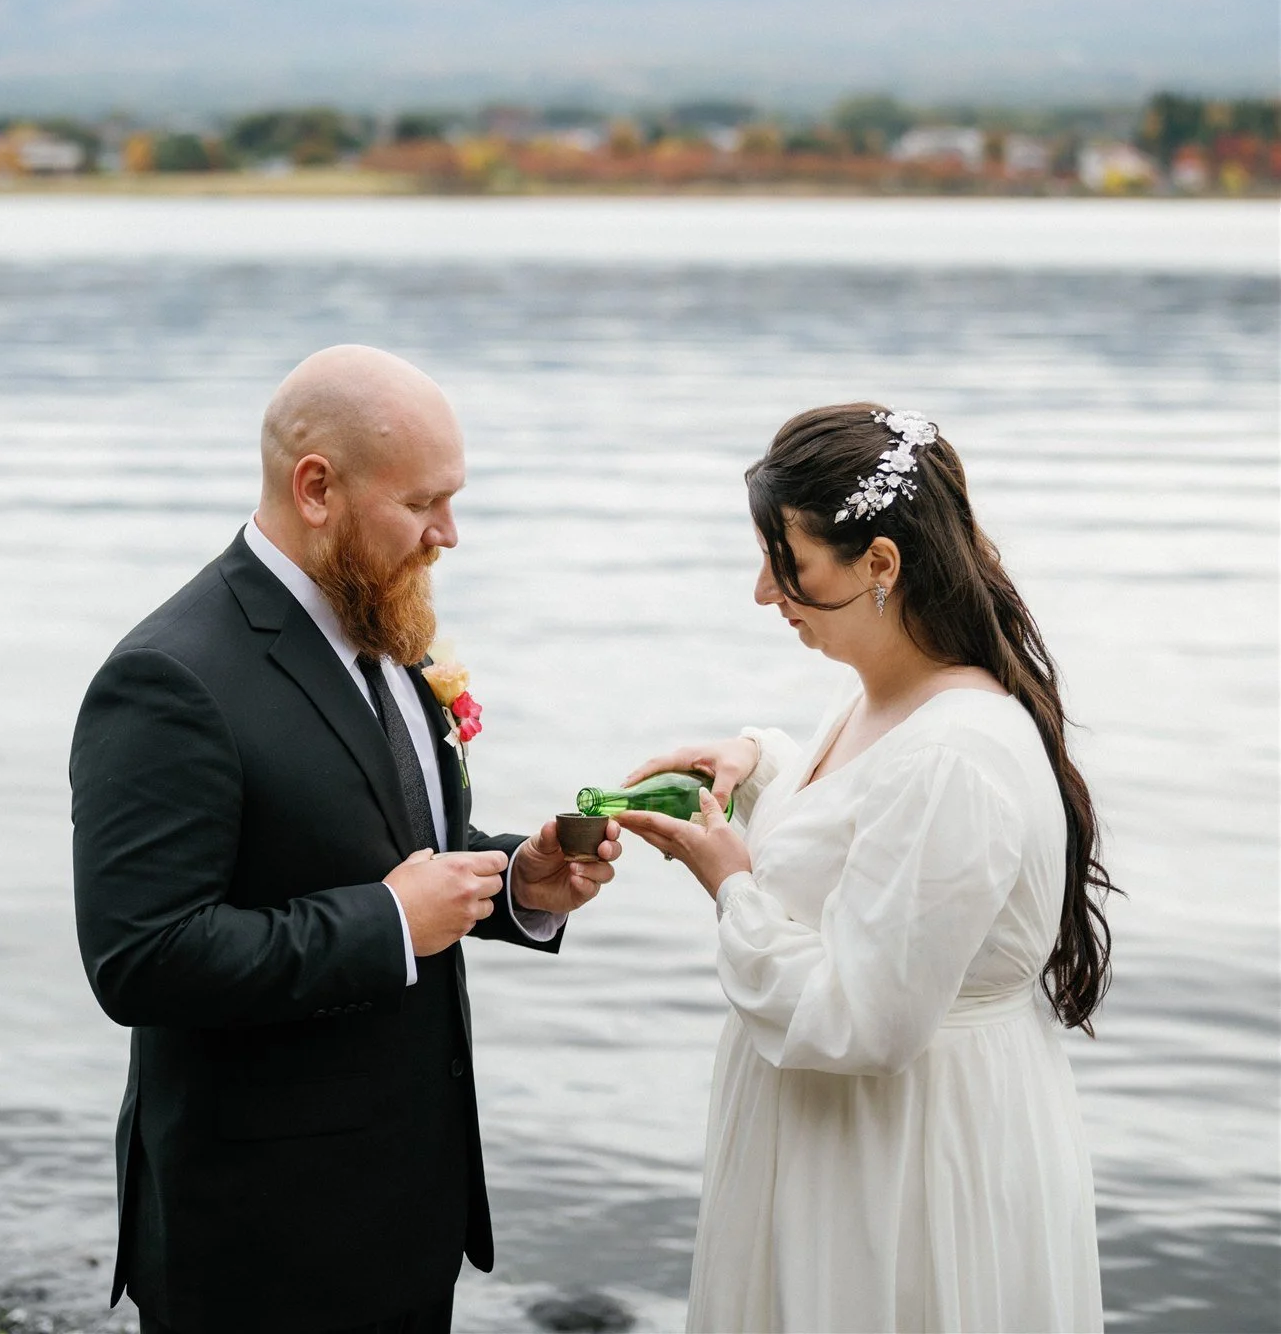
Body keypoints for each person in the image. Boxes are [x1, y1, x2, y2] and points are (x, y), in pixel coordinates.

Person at [70, 345, 620, 1334]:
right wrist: (385, 923)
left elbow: (400, 847)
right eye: (423, 502)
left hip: (405, 1211)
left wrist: (518, 880)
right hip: (257, 1243)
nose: (449, 533)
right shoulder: (169, 677)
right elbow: (141, 958)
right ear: (316, 486)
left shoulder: (385, 625)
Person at [620, 403, 1109, 1334]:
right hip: (842, 1142)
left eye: (787, 561)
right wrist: (760, 766)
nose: (765, 592)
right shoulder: (887, 699)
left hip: (904, 1158)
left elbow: (867, 1020)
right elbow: (868, 827)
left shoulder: (956, 754)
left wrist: (731, 884)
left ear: (880, 563)